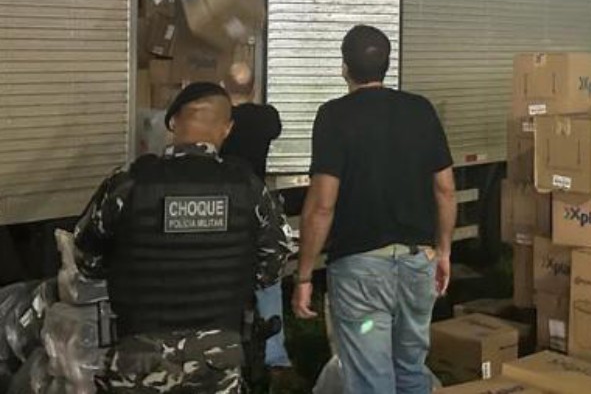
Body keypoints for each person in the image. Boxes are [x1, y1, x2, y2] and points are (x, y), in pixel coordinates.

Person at [75, 82, 295, 394]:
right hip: (218, 355)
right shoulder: (248, 188)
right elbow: (274, 259)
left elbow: (86, 256)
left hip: (141, 352)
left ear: (173, 123)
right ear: (227, 128)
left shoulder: (128, 184)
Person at [293, 25, 456, 394]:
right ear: (387, 64)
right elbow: (445, 190)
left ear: (343, 68)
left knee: (371, 379)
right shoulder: (420, 109)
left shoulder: (334, 116)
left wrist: (303, 276)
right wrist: (443, 252)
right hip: (418, 265)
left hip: (361, 273)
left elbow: (322, 205)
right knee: (412, 369)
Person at [221, 62, 298, 386]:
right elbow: (275, 127)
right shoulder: (266, 118)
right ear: (253, 87)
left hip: (226, 207)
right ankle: (275, 356)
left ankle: (226, 349)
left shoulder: (222, 122)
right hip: (258, 208)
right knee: (269, 279)